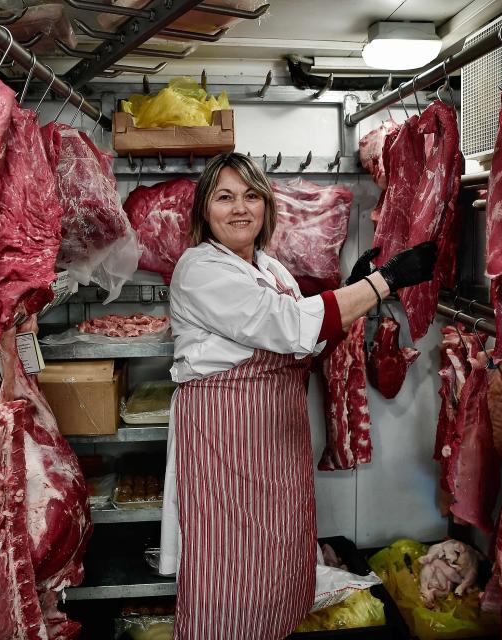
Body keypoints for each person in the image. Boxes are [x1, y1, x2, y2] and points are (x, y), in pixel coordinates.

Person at [159, 152, 437, 639]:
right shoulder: (199, 268)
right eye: (224, 197)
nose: (239, 208)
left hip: (276, 442)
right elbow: (290, 326)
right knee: (227, 563)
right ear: (205, 210)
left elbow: (310, 340)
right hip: (225, 439)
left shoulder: (271, 268)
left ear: (266, 206)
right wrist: (383, 282)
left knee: (278, 558)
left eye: (250, 196)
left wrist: (350, 292)